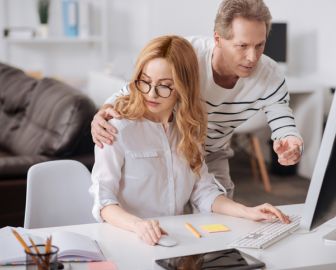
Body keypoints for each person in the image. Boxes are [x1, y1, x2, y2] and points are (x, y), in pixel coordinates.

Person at [89, 35, 290, 246]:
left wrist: (247, 211)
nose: (152, 94)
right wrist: (138, 225)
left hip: (174, 239)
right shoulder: (116, 128)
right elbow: (103, 201)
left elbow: (204, 192)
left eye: (165, 85)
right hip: (126, 239)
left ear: (183, 87)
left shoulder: (188, 129)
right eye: (145, 82)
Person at [91, 0, 304, 198]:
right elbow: (142, 85)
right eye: (242, 46)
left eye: (260, 45)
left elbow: (281, 114)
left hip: (212, 152)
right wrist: (103, 111)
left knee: (221, 212)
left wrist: (291, 140)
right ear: (218, 40)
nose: (252, 57)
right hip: (173, 146)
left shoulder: (270, 74)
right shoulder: (187, 54)